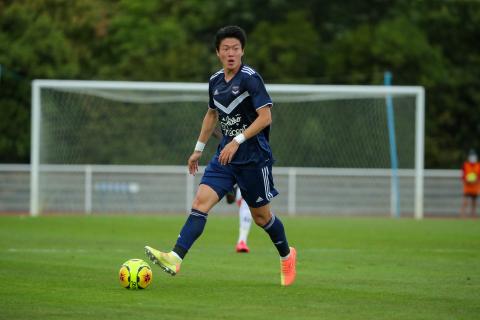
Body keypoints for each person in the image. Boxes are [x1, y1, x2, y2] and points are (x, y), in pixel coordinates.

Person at [145, 25, 296, 286]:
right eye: (225, 48)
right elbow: (212, 114)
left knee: (262, 218)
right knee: (200, 203)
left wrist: (237, 140)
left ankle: (287, 255)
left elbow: (266, 117)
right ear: (217, 52)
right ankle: (175, 257)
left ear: (242, 51)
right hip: (225, 157)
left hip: (253, 158)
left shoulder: (251, 79)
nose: (231, 53)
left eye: (235, 48)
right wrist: (198, 150)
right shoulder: (215, 81)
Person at [226, 185, 252, 253]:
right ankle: (242, 242)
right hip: (243, 186)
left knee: (263, 219)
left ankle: (242, 242)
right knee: (246, 208)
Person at [461, 149, 480, 218]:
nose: (473, 158)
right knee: (465, 202)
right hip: (467, 186)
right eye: (471, 156)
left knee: (474, 202)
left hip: (475, 187)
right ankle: (463, 215)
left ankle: (473, 215)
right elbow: (462, 175)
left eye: (474, 156)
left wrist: (476, 180)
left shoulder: (478, 165)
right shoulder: (465, 165)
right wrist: (467, 180)